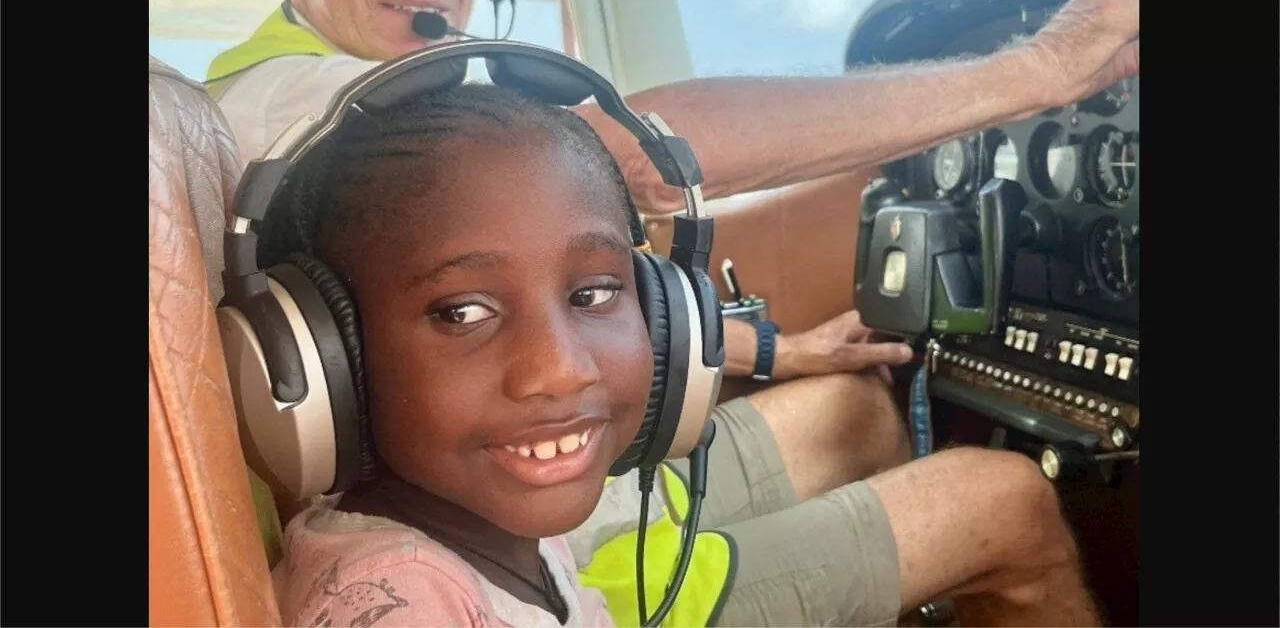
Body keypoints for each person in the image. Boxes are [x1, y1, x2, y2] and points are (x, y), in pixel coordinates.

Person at [258, 82, 1101, 627]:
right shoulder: (400, 607)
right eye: (463, 311)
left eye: (593, 295)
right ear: (329, 361)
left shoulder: (500, 521)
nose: (562, 369)